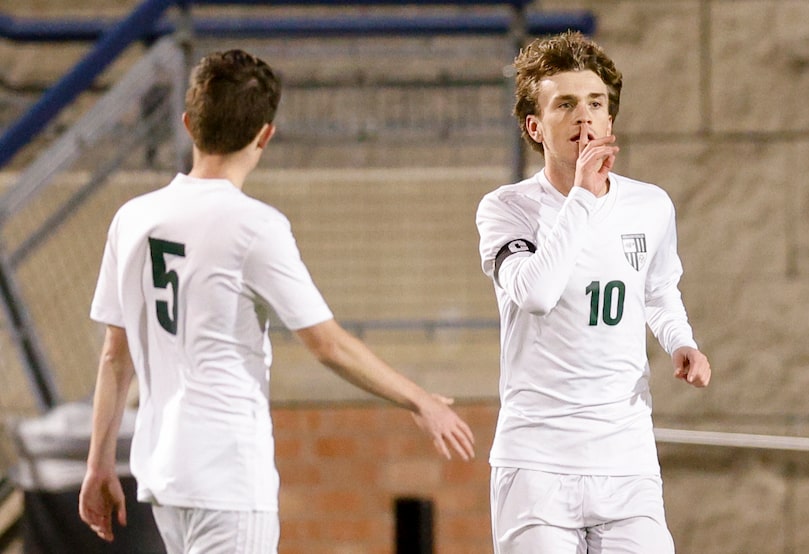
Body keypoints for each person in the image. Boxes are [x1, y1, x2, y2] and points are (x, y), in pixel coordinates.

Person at [78, 49, 475, 554]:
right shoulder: (254, 227)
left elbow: (116, 354)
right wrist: (417, 399)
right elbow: (327, 344)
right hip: (226, 473)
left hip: (162, 475)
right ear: (265, 135)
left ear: (187, 124)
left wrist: (98, 463)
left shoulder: (132, 218)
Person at [476, 31, 711, 553]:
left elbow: (658, 289)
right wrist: (581, 195)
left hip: (626, 460)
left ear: (610, 120)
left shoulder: (650, 206)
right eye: (565, 104)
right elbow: (535, 293)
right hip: (537, 463)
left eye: (595, 103)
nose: (583, 117)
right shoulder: (506, 209)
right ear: (535, 127)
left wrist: (681, 340)